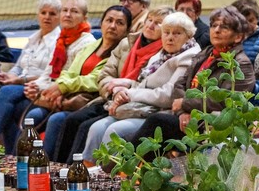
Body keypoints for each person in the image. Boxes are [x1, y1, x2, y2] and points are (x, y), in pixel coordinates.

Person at [51, 7, 175, 163]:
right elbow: (104, 75)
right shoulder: (127, 43)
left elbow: (151, 87)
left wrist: (124, 93)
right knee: (71, 120)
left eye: (158, 23)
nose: (150, 25)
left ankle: (83, 174)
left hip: (136, 105)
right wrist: (114, 91)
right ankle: (60, 169)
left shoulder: (165, 53)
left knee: (87, 126)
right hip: (109, 98)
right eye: (149, 20)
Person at [128, 6, 255, 148]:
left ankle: (111, 168)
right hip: (188, 117)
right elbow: (180, 84)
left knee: (157, 122)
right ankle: (126, 168)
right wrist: (183, 111)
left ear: (238, 36)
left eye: (224, 27)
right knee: (144, 132)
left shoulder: (241, 64)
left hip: (212, 123)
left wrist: (185, 104)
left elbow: (227, 101)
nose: (216, 30)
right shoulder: (206, 53)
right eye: (213, 25)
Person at [81, 12, 200, 162]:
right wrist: (125, 86)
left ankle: (111, 179)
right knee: (96, 128)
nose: (170, 37)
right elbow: (144, 84)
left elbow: (168, 95)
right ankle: (89, 173)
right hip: (139, 108)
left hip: (159, 112)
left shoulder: (188, 57)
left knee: (114, 131)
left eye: (177, 33)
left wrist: (130, 94)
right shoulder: (160, 55)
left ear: (188, 36)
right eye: (166, 32)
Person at [0, 0, 94, 153]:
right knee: (11, 108)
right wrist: (36, 86)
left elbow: (69, 78)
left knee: (18, 103)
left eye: (74, 11)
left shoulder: (86, 42)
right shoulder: (62, 40)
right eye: (65, 10)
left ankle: (40, 165)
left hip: (64, 97)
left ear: (84, 17)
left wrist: (34, 87)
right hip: (46, 93)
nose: (68, 14)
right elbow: (48, 74)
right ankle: (13, 162)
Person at [40, 5, 132, 158]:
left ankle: (58, 168)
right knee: (30, 112)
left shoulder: (121, 52)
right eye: (109, 20)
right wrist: (60, 89)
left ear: (127, 30)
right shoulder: (89, 47)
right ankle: (24, 165)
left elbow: (96, 80)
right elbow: (69, 71)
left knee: (58, 119)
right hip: (68, 96)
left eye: (120, 23)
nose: (113, 26)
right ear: (101, 23)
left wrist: (63, 87)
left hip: (92, 99)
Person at [0, 0, 62, 88]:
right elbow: (18, 67)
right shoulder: (32, 40)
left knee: (7, 92)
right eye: (43, 13)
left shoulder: (60, 42)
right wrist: (9, 76)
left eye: (52, 14)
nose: (47, 17)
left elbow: (51, 76)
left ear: (60, 17)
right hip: (19, 82)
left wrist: (20, 80)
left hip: (38, 86)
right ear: (38, 15)